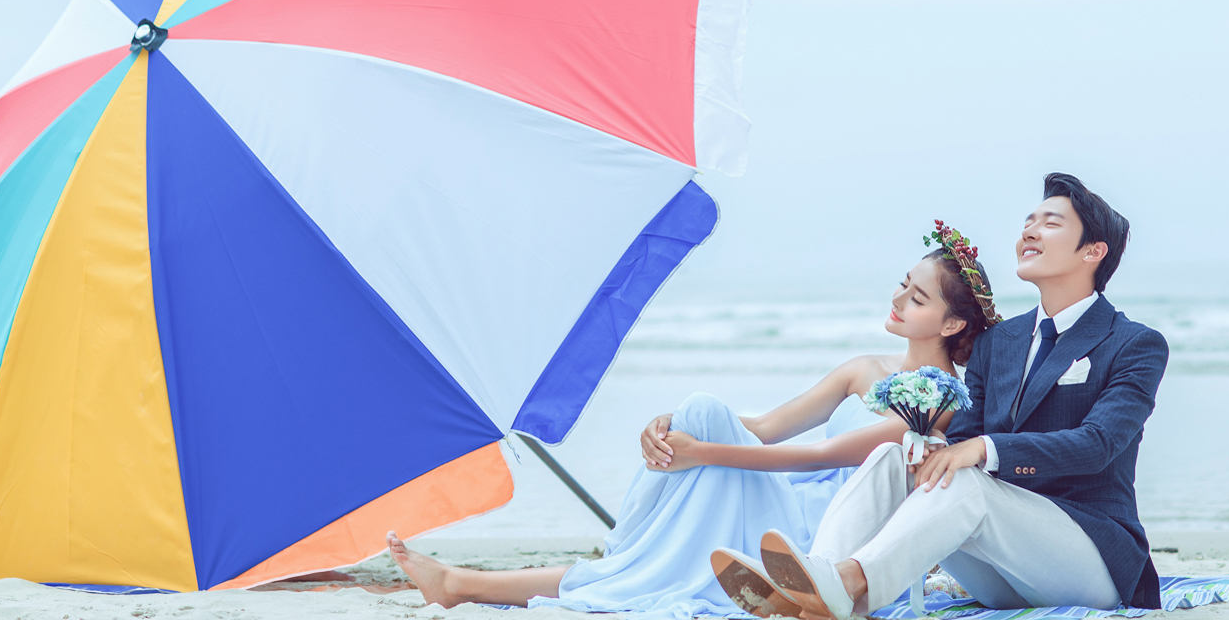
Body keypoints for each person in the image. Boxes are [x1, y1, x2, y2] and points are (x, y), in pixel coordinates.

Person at [385, 230, 1004, 616]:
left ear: (953, 324)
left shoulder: (946, 401)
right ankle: (470, 582)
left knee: (683, 498)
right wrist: (675, 429)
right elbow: (765, 428)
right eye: (902, 286)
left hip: (820, 529)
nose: (897, 300)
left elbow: (823, 456)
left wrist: (702, 451)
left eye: (917, 298)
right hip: (781, 493)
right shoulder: (862, 368)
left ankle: (466, 583)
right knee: (700, 412)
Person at [743, 173, 1168, 618]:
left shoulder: (1134, 344)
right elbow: (962, 437)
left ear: (1093, 252)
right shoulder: (998, 343)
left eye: (1051, 223)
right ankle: (816, 583)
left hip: (1090, 561)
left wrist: (983, 449)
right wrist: (932, 449)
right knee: (895, 457)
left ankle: (847, 585)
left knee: (968, 482)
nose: (1029, 231)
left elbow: (1098, 444)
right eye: (1029, 221)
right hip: (1002, 571)